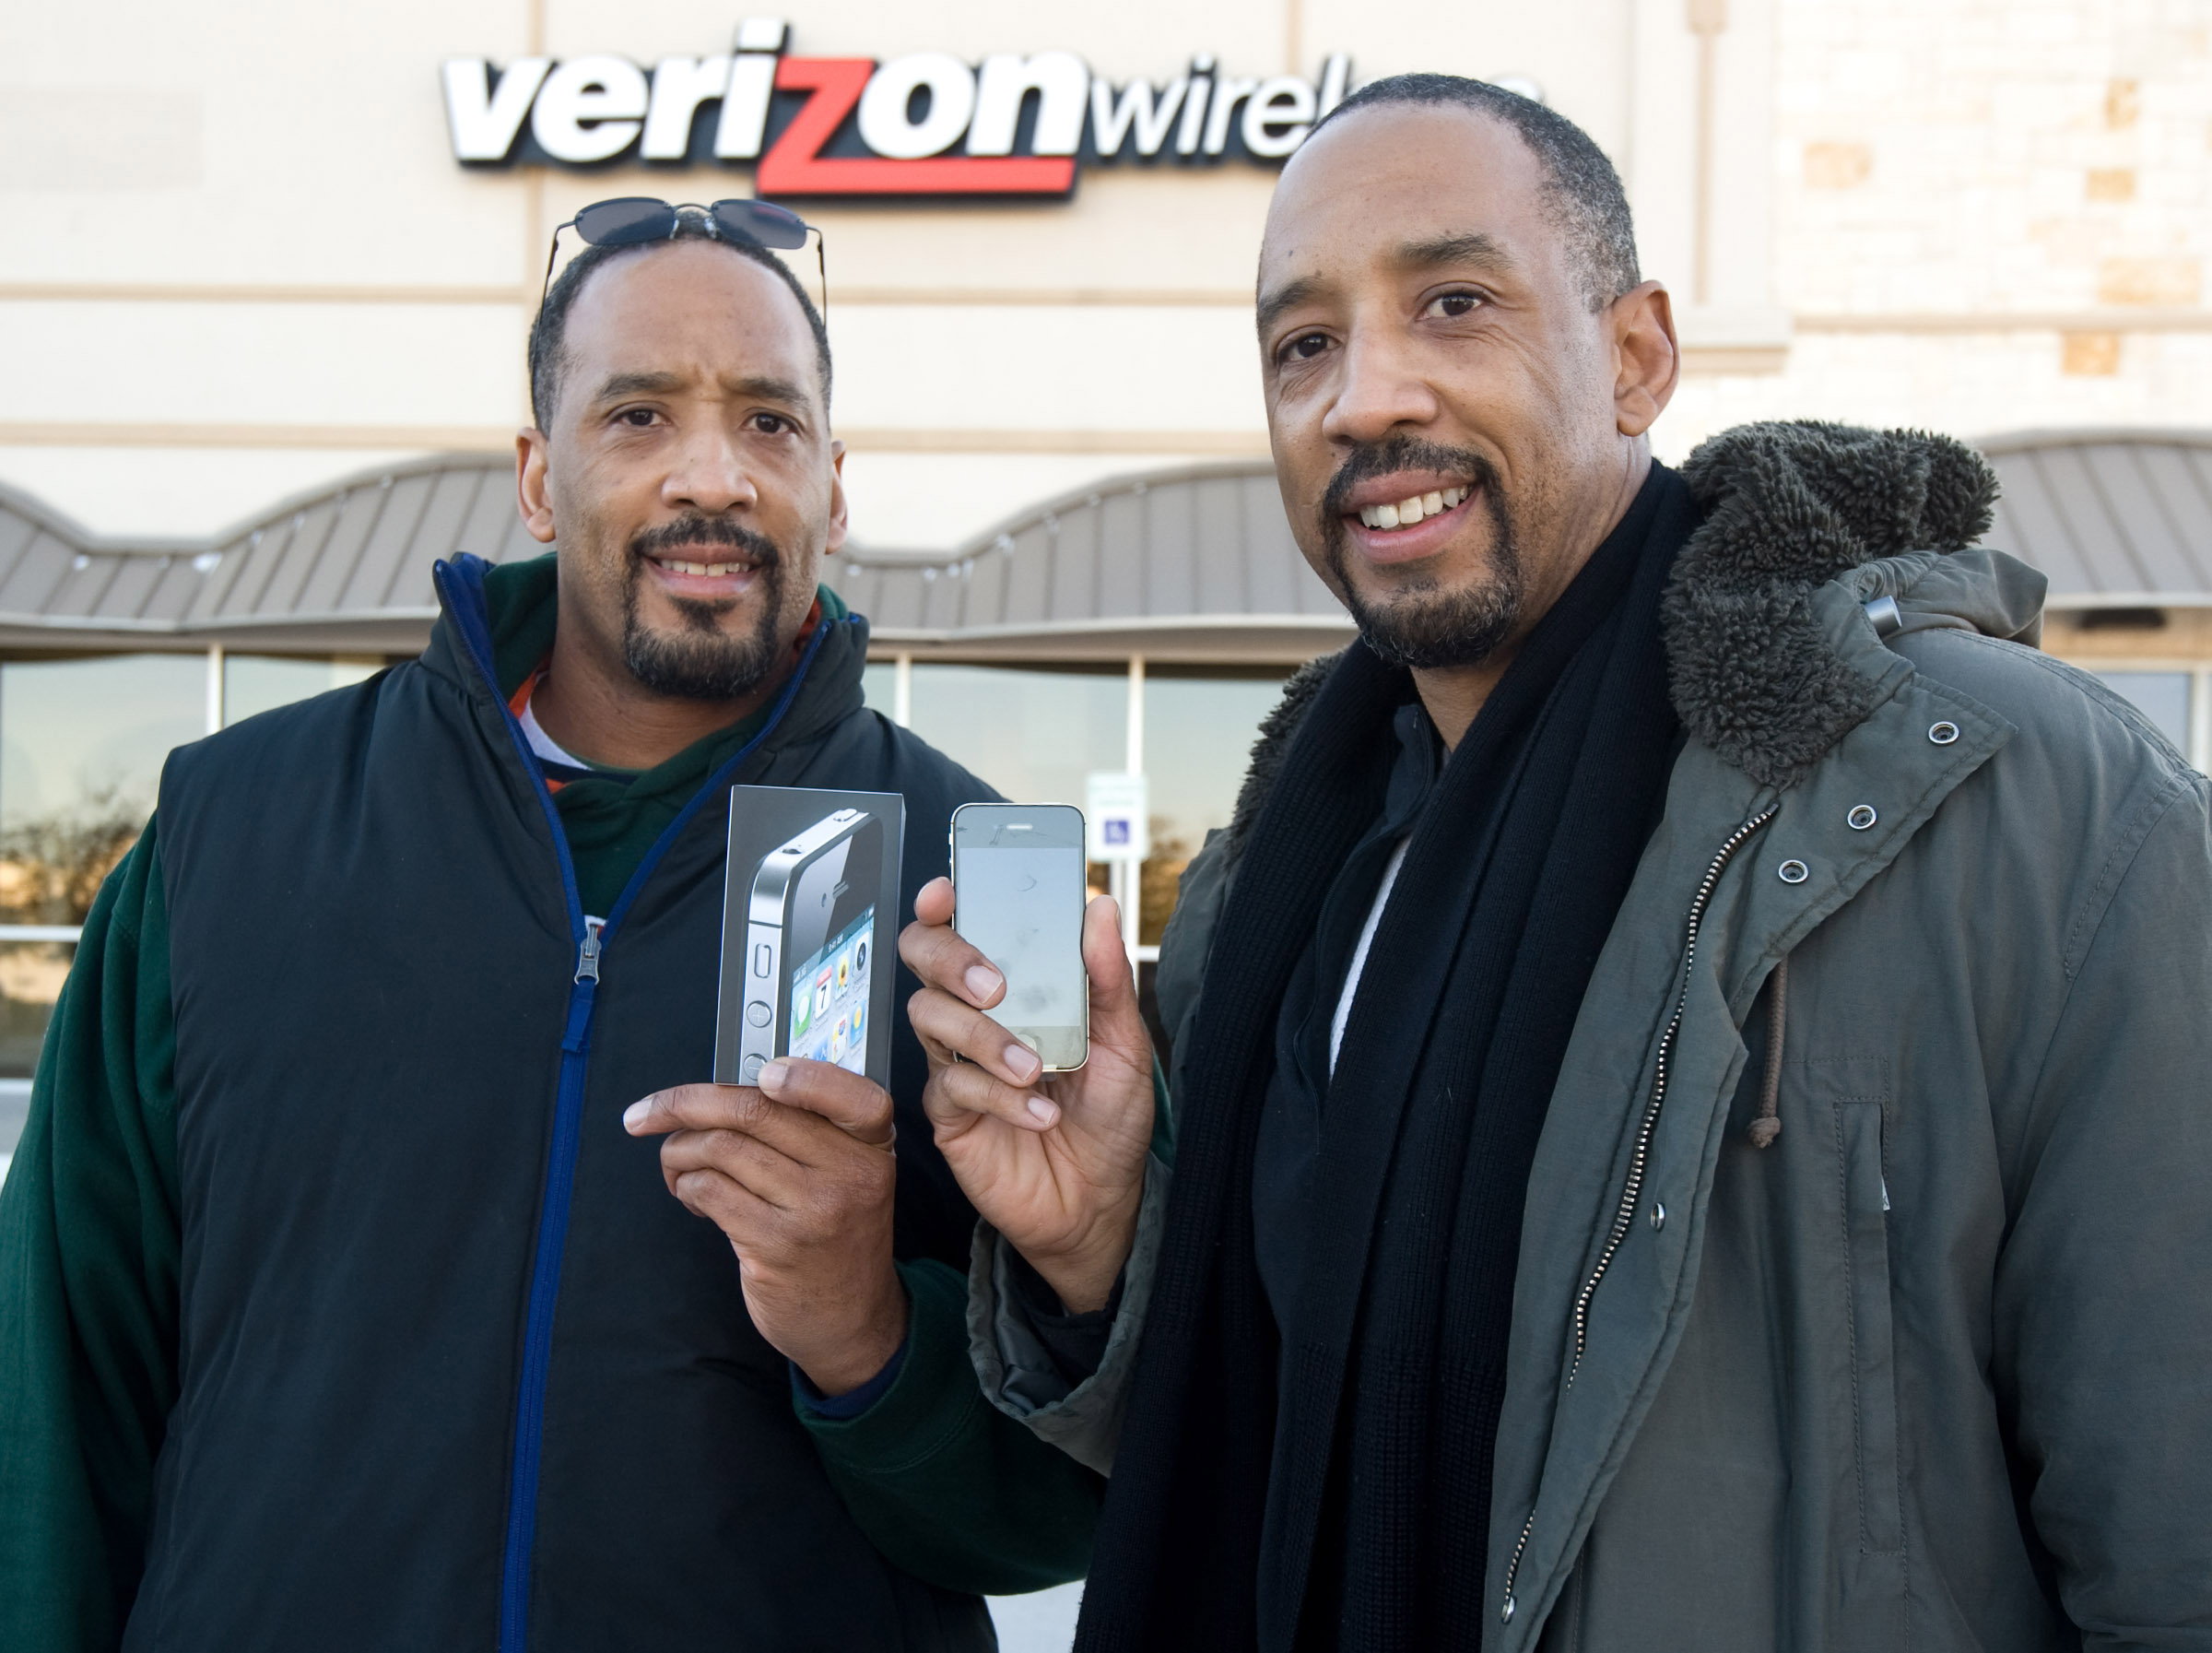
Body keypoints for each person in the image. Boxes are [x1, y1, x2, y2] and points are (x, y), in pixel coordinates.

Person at [900, 75, 2212, 1651]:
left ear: (1637, 356)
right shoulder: (1291, 878)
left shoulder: (2013, 804)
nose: (1363, 397)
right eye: (1304, 343)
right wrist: (1099, 1244)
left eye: (1455, 303)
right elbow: (1271, 1441)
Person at [0, 207, 1100, 1652]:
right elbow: (55, 1405)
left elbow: (1055, 1512)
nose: (712, 475)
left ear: (833, 491)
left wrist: (864, 1333)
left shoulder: (967, 895)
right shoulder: (229, 837)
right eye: (638, 415)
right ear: (537, 476)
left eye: (769, 423)